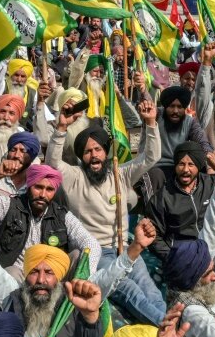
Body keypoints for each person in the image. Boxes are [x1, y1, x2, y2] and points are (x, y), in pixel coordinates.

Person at [0, 188, 148, 337]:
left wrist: (135, 248)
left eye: (49, 273)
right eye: (34, 272)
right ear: (26, 274)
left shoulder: (71, 299)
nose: (41, 280)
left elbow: (107, 279)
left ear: (59, 277)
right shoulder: (13, 296)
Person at [47, 98, 166, 325]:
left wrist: (150, 123)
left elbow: (151, 157)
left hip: (126, 247)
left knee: (150, 289)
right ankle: (167, 327)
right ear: (82, 157)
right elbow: (52, 163)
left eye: (98, 150)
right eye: (88, 152)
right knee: (131, 291)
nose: (94, 156)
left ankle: (165, 323)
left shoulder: (119, 175)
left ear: (105, 152)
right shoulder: (74, 177)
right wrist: (61, 127)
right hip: (96, 254)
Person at [147, 145, 215, 292]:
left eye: (191, 164)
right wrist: (174, 258)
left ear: (198, 166)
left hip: (212, 252)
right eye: (181, 164)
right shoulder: (162, 197)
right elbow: (155, 238)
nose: (186, 169)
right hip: (185, 257)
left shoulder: (211, 183)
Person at [0, 163, 101, 279]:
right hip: (19, 277)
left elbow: (92, 244)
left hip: (51, 280)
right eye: (38, 187)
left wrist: (85, 279)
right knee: (10, 272)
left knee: (78, 255)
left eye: (49, 189)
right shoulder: (10, 206)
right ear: (29, 186)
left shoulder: (62, 215)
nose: (43, 195)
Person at [148, 86, 213, 169]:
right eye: (172, 106)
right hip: (155, 167)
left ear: (184, 108)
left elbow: (202, 142)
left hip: (179, 167)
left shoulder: (190, 122)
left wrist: (209, 154)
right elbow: (148, 106)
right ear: (165, 107)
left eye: (179, 107)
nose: (175, 111)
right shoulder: (157, 115)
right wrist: (143, 90)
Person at [5, 58, 38, 129]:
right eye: (16, 75)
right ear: (11, 75)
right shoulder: (2, 87)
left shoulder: (32, 93)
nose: (19, 80)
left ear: (27, 78)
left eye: (23, 76)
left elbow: (39, 113)